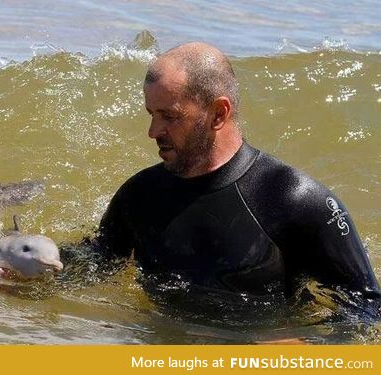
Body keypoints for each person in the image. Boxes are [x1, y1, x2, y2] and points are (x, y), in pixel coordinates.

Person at [98, 42, 380, 299]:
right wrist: (54, 260)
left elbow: (365, 312)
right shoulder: (138, 197)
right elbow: (92, 265)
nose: (153, 131)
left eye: (170, 116)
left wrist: (303, 344)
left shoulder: (296, 201)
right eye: (152, 114)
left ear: (218, 114)